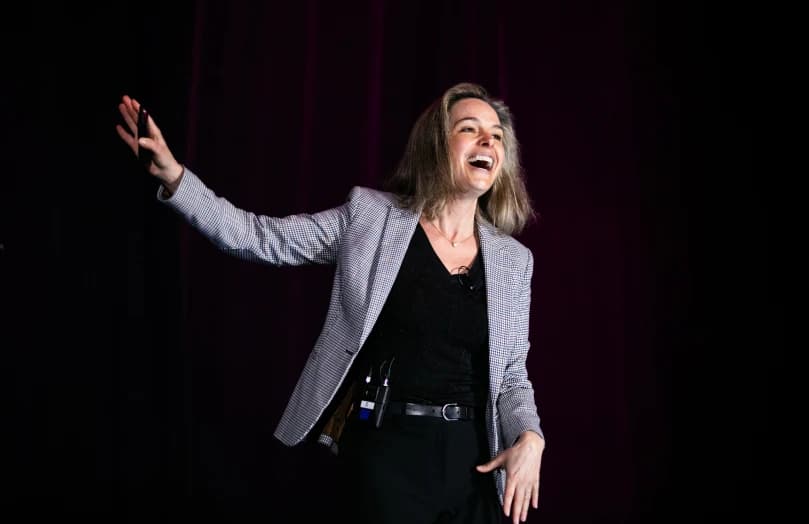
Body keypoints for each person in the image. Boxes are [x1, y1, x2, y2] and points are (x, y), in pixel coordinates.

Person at [116, 82, 545, 524]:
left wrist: (530, 436)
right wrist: (175, 178)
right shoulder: (371, 219)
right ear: (436, 144)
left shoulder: (513, 261)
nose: (487, 141)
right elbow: (258, 237)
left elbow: (512, 376)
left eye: (495, 134)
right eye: (469, 129)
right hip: (389, 453)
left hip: (472, 463)